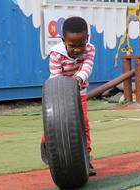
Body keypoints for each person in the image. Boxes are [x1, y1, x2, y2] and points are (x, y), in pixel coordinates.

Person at [41, 16, 96, 176]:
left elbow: (87, 66)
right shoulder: (56, 54)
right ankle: (46, 144)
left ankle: (86, 157)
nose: (78, 50)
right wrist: (69, 86)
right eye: (73, 45)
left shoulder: (90, 49)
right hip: (58, 94)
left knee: (83, 124)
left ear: (87, 39)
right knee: (55, 123)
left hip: (80, 92)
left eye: (81, 44)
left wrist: (78, 79)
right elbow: (56, 77)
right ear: (64, 40)